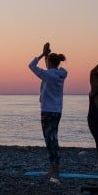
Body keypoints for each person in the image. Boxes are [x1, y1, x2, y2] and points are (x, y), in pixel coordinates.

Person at [28, 42, 68, 183]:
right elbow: (46, 67)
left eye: (46, 60)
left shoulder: (48, 75)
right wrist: (46, 55)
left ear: (49, 62)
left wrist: (41, 54)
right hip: (57, 110)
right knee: (54, 138)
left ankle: (54, 169)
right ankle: (55, 167)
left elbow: (31, 66)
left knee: (49, 139)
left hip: (47, 111)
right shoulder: (60, 74)